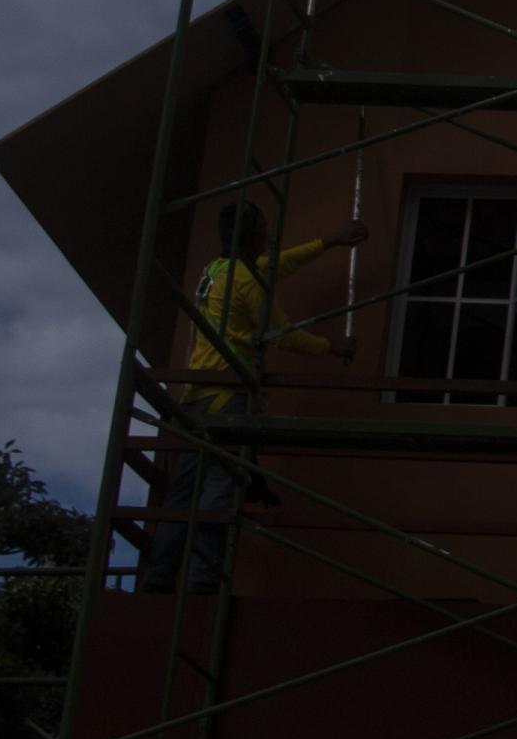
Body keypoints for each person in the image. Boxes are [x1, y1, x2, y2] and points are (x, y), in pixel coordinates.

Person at [142, 200, 365, 593]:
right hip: (227, 398)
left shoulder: (216, 270)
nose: (268, 233)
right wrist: (331, 347)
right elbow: (281, 333)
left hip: (196, 397)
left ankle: (159, 577)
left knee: (182, 497)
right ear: (254, 234)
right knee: (217, 496)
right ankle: (200, 587)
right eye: (264, 227)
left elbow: (275, 266)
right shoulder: (245, 281)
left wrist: (328, 242)